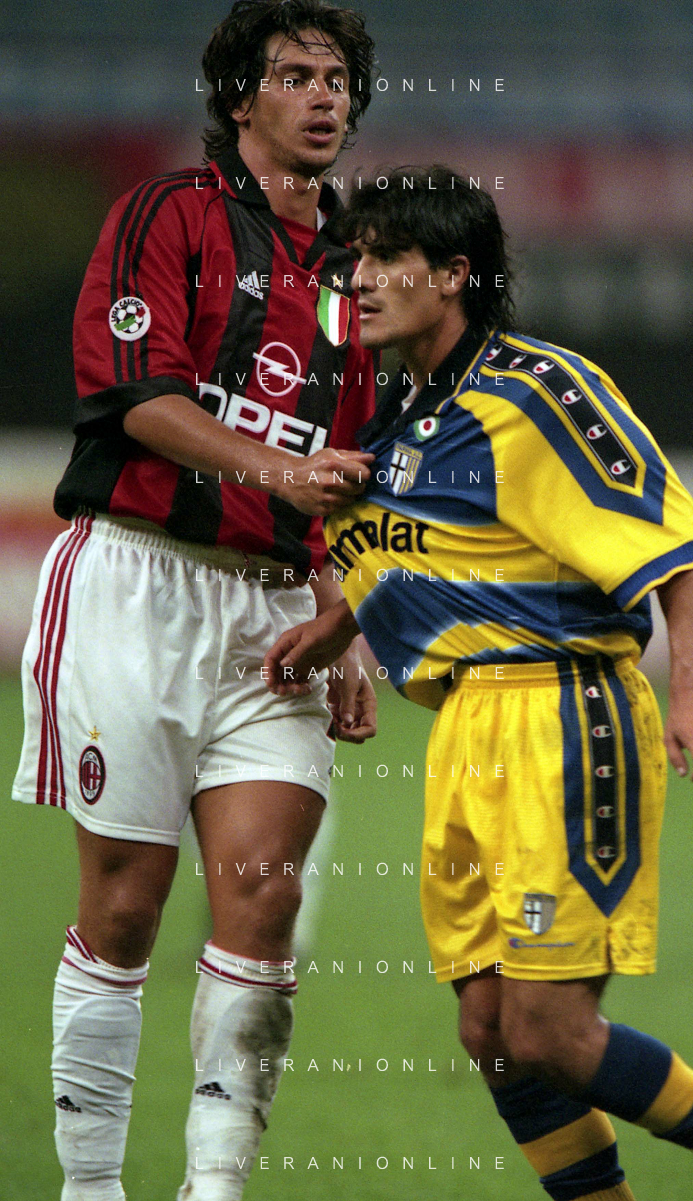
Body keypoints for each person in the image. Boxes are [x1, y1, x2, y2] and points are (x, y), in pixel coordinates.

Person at [264, 167, 693, 1201]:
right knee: (489, 1032)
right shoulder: (397, 414)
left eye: (387, 257)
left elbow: (679, 546)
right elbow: (431, 547)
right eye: (353, 260)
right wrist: (335, 626)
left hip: (563, 716)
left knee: (548, 1031)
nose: (360, 279)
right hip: (463, 730)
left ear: (453, 274)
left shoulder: (539, 392)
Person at [11, 3, 379, 1199]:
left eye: (337, 78)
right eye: (295, 74)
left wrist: (341, 613)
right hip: (137, 581)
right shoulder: (167, 213)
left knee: (264, 901)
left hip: (273, 610)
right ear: (238, 97)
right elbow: (137, 398)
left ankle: (212, 1190)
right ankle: (91, 1187)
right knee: (124, 908)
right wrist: (275, 470)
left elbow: (344, 460)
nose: (322, 95)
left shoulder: (355, 269)